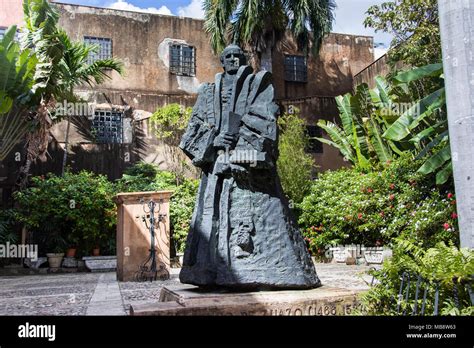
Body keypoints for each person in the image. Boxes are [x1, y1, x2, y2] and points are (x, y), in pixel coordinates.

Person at [179, 44, 320, 289]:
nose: (233, 59)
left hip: (247, 172)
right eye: (228, 56)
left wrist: (237, 152)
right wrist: (214, 141)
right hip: (215, 172)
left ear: (243, 60)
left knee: (254, 219)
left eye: (238, 56)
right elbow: (194, 128)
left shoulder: (259, 83)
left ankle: (264, 271)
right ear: (222, 61)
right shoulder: (208, 91)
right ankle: (208, 272)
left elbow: (265, 120)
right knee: (210, 223)